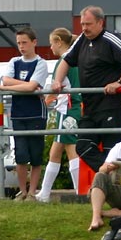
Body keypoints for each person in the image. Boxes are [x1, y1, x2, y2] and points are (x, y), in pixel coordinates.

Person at [65, 5, 121, 171]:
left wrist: (120, 82)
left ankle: (113, 180)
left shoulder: (110, 39)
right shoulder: (81, 40)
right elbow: (66, 60)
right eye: (82, 24)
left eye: (88, 24)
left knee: (111, 149)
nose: (84, 28)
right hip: (89, 106)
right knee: (83, 146)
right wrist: (56, 82)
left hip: (111, 105)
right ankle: (114, 173)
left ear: (100, 22)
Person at [0, 27, 51, 199]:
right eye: (19, 43)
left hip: (36, 113)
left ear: (34, 42)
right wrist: (25, 85)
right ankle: (23, 190)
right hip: (18, 113)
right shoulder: (14, 61)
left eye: (25, 42)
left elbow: (31, 87)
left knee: (36, 154)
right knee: (20, 154)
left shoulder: (41, 63)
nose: (21, 46)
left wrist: (9, 87)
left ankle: (32, 192)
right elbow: (7, 79)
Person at [36, 27, 82, 202]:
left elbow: (56, 88)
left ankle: (78, 192)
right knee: (57, 152)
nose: (50, 48)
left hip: (67, 108)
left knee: (70, 151)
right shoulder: (74, 59)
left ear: (58, 41)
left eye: (51, 43)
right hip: (71, 108)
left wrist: (45, 99)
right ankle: (45, 193)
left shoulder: (64, 61)